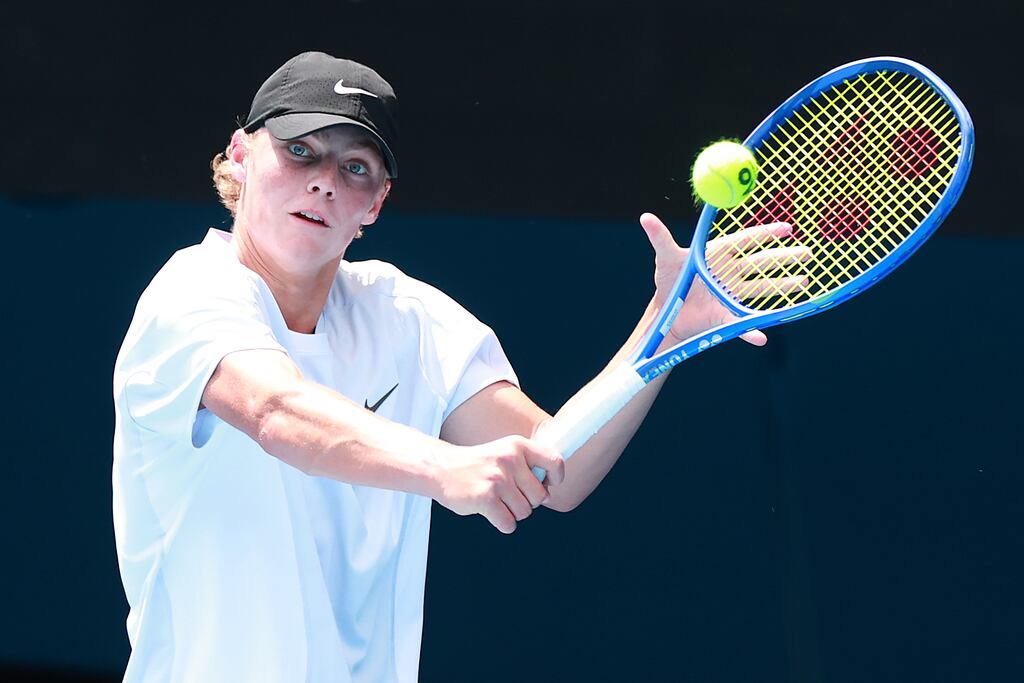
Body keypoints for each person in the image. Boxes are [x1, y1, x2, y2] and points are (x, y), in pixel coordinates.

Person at [112, 51, 802, 682]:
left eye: (355, 167)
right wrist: (446, 468)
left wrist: (664, 332)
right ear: (239, 156)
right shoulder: (189, 293)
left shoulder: (409, 318)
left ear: (375, 203)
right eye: (299, 151)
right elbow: (277, 411)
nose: (324, 182)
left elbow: (549, 469)